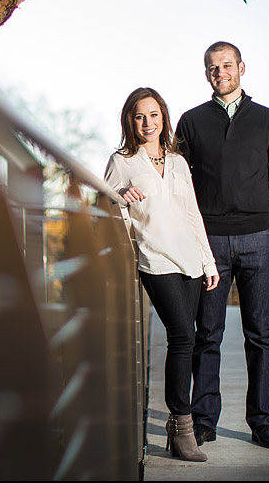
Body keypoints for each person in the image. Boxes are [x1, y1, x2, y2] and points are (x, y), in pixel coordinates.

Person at [175, 41, 269, 450]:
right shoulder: (191, 122)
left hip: (259, 238)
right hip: (208, 242)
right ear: (205, 72)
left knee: (260, 334)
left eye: (226, 65)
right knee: (207, 333)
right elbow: (174, 178)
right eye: (212, 67)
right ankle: (204, 420)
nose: (219, 72)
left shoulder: (268, 120)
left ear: (241, 67)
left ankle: (261, 421)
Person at [105, 87, 220, 462]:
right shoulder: (122, 161)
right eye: (140, 116)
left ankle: (176, 425)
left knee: (187, 339)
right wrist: (120, 194)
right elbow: (102, 200)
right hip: (155, 259)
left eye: (153, 115)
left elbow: (193, 215)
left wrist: (208, 262)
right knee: (183, 334)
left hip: (189, 257)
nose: (147, 123)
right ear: (130, 121)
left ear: (163, 118)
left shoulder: (178, 162)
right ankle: (183, 426)